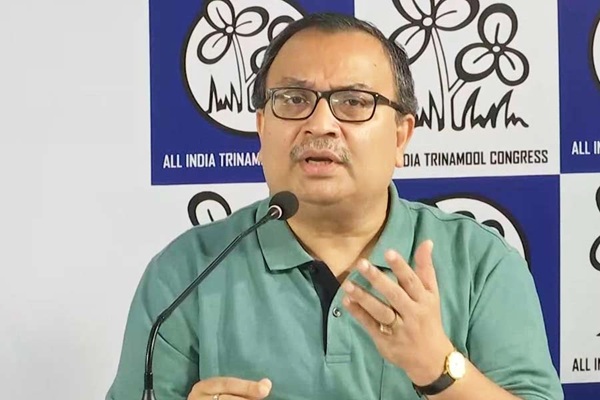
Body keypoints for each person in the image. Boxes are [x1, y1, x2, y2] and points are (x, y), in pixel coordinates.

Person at [106, 12, 563, 400]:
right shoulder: (187, 272)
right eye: (294, 100)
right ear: (262, 128)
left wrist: (439, 367)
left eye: (354, 102)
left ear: (401, 136)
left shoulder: (479, 261)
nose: (320, 123)